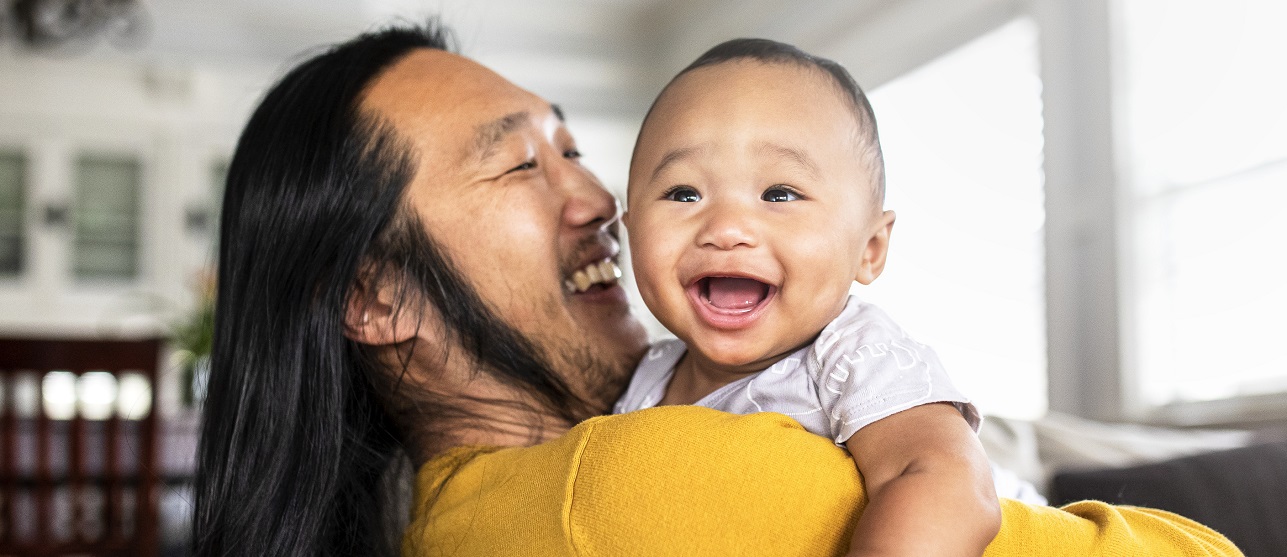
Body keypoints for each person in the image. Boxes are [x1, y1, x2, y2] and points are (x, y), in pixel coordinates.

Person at [193, 20, 1243, 557]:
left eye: (573, 146)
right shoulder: (629, 490)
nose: (601, 196)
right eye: (522, 164)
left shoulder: (445, 517)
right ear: (374, 295)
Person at [616, 39, 997, 556]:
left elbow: (944, 479)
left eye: (780, 194)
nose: (726, 229)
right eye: (684, 194)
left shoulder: (853, 357)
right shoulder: (646, 379)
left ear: (870, 248)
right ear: (631, 230)